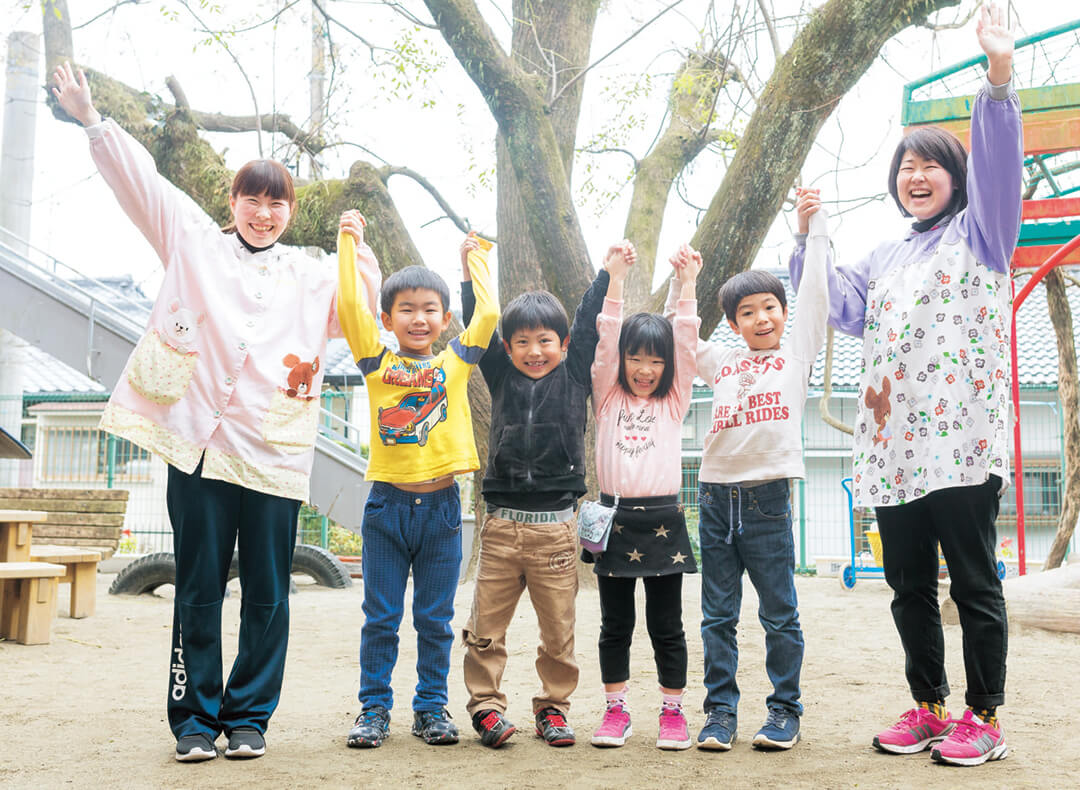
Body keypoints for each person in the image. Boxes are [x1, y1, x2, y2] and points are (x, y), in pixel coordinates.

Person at [51, 62, 379, 763]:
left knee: (267, 590)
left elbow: (362, 317)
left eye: (277, 203)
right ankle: (195, 719)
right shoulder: (193, 241)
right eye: (252, 199)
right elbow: (142, 186)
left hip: (273, 450)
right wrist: (92, 121)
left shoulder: (313, 272)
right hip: (197, 444)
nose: (264, 213)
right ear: (233, 201)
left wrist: (358, 247)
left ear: (290, 211)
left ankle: (250, 715)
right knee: (198, 586)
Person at [789, 3, 1019, 768]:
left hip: (959, 442)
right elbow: (829, 305)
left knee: (974, 583)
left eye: (931, 165)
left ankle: (983, 715)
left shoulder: (984, 233)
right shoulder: (883, 256)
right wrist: (809, 237)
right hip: (890, 449)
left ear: (956, 179)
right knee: (908, 585)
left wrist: (997, 77)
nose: (916, 177)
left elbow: (996, 166)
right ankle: (928, 705)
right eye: (905, 168)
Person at [669, 214, 828, 751]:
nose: (761, 318)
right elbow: (682, 336)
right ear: (734, 325)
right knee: (718, 615)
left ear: (784, 315)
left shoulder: (797, 355)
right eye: (747, 312)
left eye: (770, 308)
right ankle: (719, 713)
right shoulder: (724, 362)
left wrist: (813, 229)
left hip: (767, 502)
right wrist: (685, 282)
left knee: (779, 614)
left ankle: (784, 710)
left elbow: (816, 295)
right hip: (715, 498)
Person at [336, 230, 499, 749]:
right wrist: (348, 243)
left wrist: (475, 259)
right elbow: (348, 307)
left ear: (445, 318)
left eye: (430, 309)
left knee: (435, 619)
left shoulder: (455, 359)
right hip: (387, 507)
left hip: (443, 511)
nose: (419, 318)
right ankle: (373, 710)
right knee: (381, 618)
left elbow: (489, 316)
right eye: (406, 309)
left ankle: (431, 708)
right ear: (387, 320)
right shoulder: (375, 362)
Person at [459, 242, 615, 749]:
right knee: (485, 627)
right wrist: (470, 273)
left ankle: (553, 708)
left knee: (559, 631)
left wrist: (607, 272)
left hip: (555, 533)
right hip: (501, 528)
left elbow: (590, 319)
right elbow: (478, 321)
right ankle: (486, 708)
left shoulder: (574, 376)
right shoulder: (500, 374)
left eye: (544, 340)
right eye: (521, 342)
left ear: (564, 342)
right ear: (507, 348)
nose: (533, 351)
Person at [586, 244, 701, 751]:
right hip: (613, 520)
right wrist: (615, 280)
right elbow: (606, 339)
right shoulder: (607, 396)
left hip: (662, 523)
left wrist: (688, 284)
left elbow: (687, 342)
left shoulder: (675, 402)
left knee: (666, 625)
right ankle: (616, 710)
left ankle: (672, 713)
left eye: (656, 361)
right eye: (637, 358)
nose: (645, 368)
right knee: (616, 624)